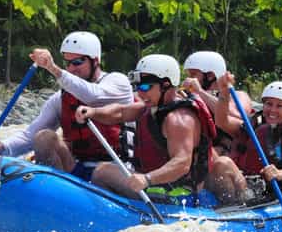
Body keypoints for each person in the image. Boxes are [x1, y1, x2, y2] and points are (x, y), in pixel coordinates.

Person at [75, 54, 247, 205]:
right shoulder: (149, 107)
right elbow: (120, 112)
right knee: (102, 172)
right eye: (137, 87)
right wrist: (93, 112)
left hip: (181, 194)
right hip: (157, 186)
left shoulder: (179, 119)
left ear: (165, 84)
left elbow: (181, 164)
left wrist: (147, 179)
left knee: (223, 163)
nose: (140, 93)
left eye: (145, 87)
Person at [0, 31, 133, 180]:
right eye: (68, 63)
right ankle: (54, 191)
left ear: (95, 61)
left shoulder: (118, 82)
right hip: (77, 168)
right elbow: (29, 136)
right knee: (44, 137)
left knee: (101, 173)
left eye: (77, 62)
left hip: (116, 171)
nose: (71, 69)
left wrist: (52, 68)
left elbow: (93, 96)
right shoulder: (60, 99)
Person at [181, 50, 253, 155]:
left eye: (193, 74)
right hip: (197, 150)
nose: (189, 79)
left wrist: (200, 92)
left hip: (226, 152)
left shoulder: (238, 95)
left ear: (210, 76)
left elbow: (237, 115)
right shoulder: (190, 96)